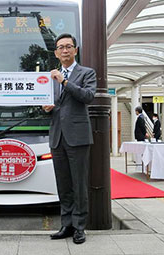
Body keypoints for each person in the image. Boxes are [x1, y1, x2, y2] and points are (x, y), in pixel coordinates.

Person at [42, 33, 97, 244]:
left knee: (79, 184)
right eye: (60, 47)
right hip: (57, 136)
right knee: (63, 183)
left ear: (75, 50)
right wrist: (47, 107)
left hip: (78, 136)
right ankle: (66, 224)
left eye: (68, 46)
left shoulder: (86, 73)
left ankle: (80, 227)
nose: (64, 50)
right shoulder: (50, 77)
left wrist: (64, 81)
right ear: (56, 52)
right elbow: (54, 104)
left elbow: (87, 96)